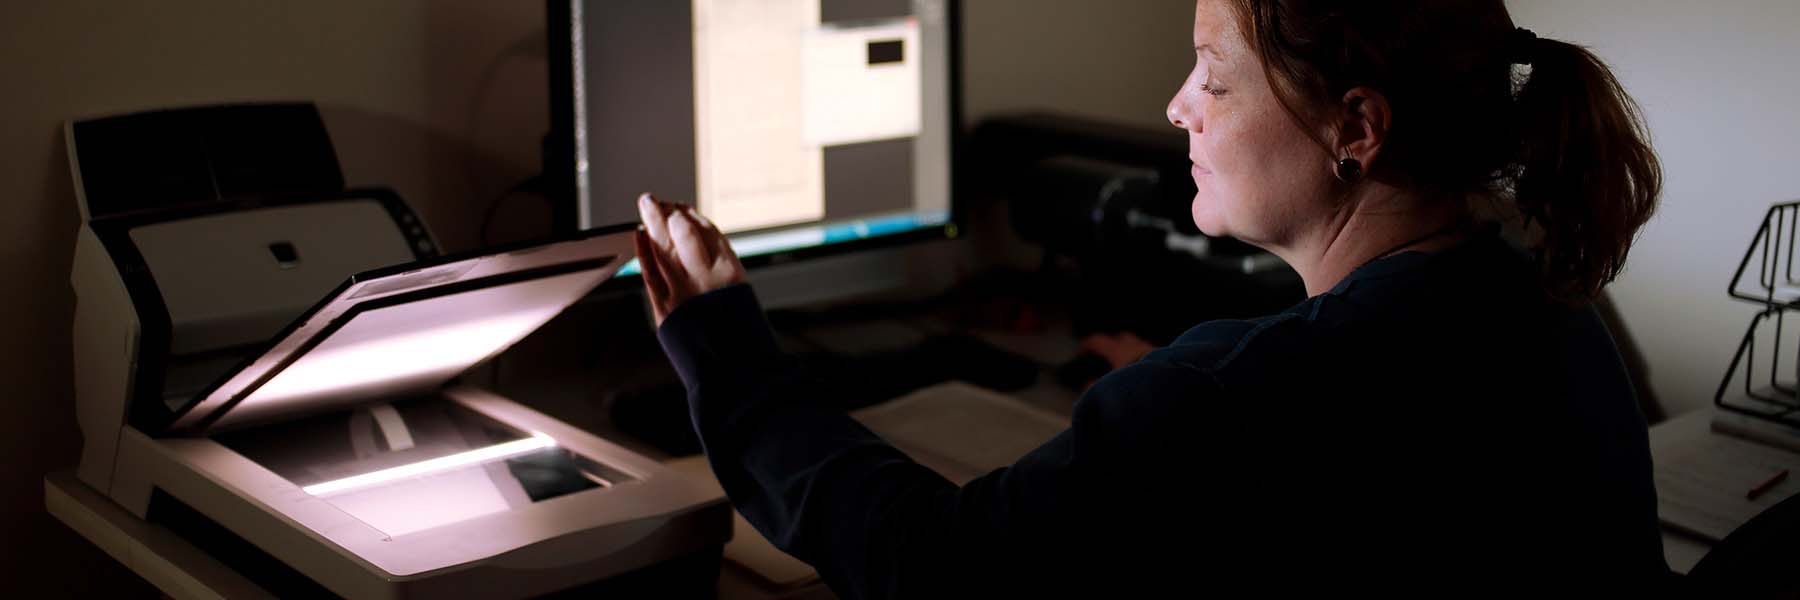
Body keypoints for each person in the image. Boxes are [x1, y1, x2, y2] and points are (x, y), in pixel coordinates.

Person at [632, 0, 1665, 596]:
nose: (1176, 106)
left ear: (1358, 126)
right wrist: (1158, 412)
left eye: (1211, 76)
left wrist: (725, 352)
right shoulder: (1554, 309)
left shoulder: (1227, 401)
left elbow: (932, 570)